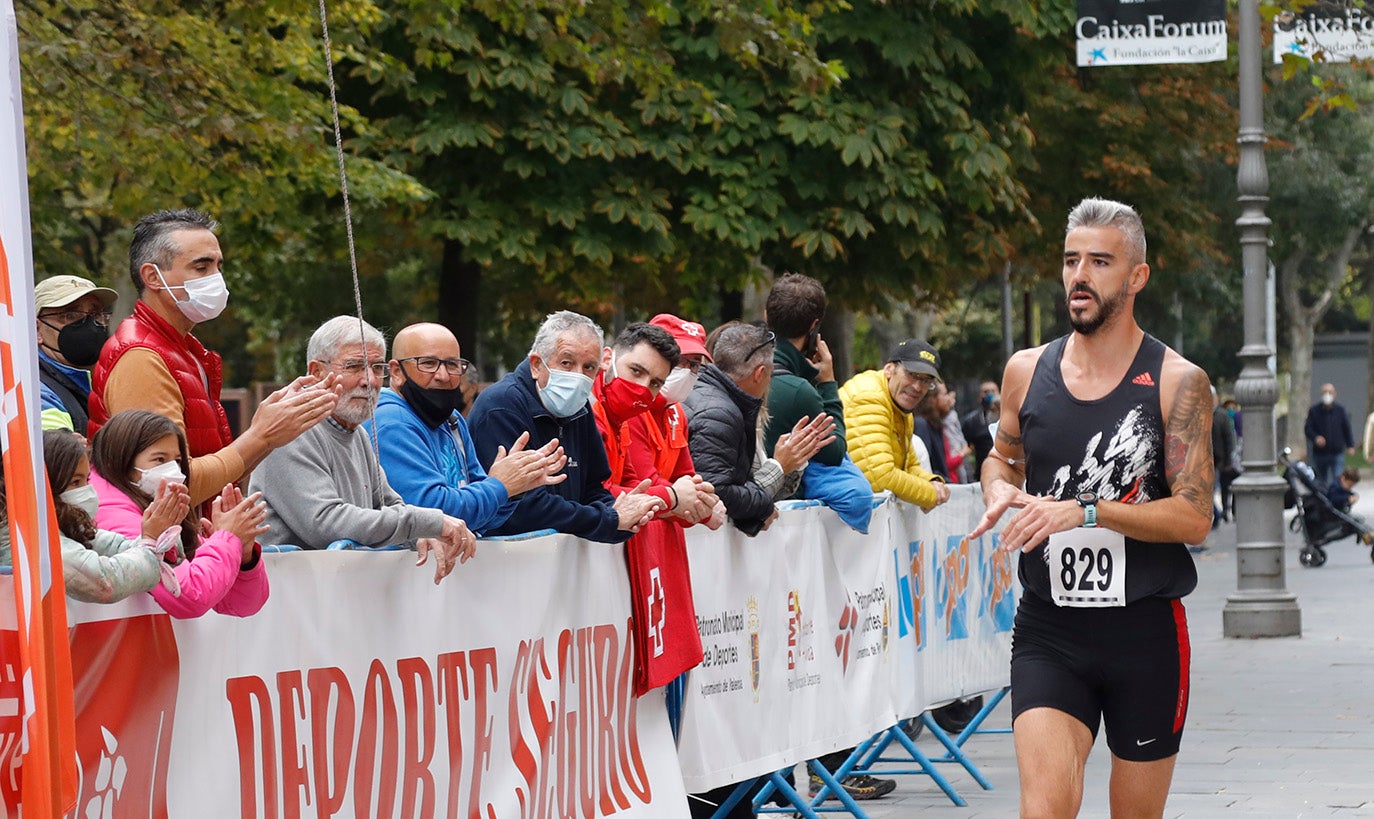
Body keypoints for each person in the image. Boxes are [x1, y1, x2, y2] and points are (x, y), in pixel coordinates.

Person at [969, 197, 1212, 818]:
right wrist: (997, 487)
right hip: (1051, 627)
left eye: (1100, 262)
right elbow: (1001, 458)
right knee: (1043, 809)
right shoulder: (1027, 371)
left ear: (1137, 277)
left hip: (1145, 630)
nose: (1080, 275)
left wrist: (1088, 511)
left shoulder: (1177, 382)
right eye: (1072, 260)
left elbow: (1194, 517)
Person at [88, 208, 339, 506]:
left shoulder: (185, 350)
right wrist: (259, 436)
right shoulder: (141, 357)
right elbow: (169, 488)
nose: (216, 279)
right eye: (201, 267)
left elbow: (218, 477)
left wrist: (270, 435)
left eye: (219, 266)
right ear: (153, 277)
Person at [248, 317, 474, 582]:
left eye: (377, 368)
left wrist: (420, 535)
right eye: (355, 366)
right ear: (316, 371)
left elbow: (390, 503)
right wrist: (430, 523)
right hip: (290, 602)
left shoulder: (356, 430)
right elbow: (326, 523)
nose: (370, 380)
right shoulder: (292, 428)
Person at [467, 310, 662, 541]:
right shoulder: (500, 407)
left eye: (589, 367)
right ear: (537, 365)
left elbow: (593, 488)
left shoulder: (580, 407)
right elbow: (524, 508)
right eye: (567, 362)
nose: (578, 376)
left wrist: (623, 513)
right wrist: (609, 519)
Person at [371, 322, 566, 535]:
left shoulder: (452, 419)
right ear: (396, 371)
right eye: (428, 363)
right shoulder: (392, 423)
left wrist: (514, 489)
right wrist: (500, 486)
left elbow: (481, 518)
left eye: (452, 365)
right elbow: (432, 515)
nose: (443, 375)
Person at [90, 410, 273, 618]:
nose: (173, 472)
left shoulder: (156, 511)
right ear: (122, 461)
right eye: (159, 460)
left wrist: (243, 555)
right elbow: (190, 597)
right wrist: (227, 538)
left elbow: (241, 605)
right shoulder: (112, 514)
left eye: (177, 461)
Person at [686, 322, 833, 536]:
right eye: (770, 374)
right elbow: (716, 494)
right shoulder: (719, 413)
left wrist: (789, 464)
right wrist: (778, 466)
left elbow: (736, 488)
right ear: (760, 373)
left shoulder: (722, 400)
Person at [43, 429, 172, 603]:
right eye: (75, 482)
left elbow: (114, 545)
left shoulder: (68, 526)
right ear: (48, 485)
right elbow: (105, 580)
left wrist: (161, 534)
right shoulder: (35, 541)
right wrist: (149, 544)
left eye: (87, 481)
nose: (87, 491)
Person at [838, 339, 951, 511]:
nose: (918, 387)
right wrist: (930, 494)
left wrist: (932, 482)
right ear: (889, 369)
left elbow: (909, 465)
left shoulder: (899, 404)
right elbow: (880, 476)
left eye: (926, 381)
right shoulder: (869, 397)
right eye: (912, 375)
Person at [762, 273, 847, 478]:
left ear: (766, 316)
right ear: (813, 325)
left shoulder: (740, 364)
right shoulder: (798, 391)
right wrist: (827, 382)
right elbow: (834, 453)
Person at [35, 275, 118, 432]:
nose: (88, 325)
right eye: (70, 315)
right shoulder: (37, 392)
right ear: (37, 329)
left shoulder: (106, 383)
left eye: (95, 314)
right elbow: (58, 452)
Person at [1305, 383, 1355, 491]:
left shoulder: (1340, 410)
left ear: (1334, 394)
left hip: (1337, 451)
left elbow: (1346, 428)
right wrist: (1316, 438)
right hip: (1320, 453)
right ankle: (1322, 501)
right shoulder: (1314, 411)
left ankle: (1337, 500)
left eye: (1330, 392)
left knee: (1338, 477)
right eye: (1325, 392)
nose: (1327, 395)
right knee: (1321, 480)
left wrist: (1350, 445)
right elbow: (1308, 429)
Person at [1212, 387, 1238, 527]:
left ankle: (1222, 513)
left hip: (1219, 459)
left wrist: (1229, 460)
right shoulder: (1199, 413)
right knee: (1213, 489)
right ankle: (1218, 513)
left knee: (1223, 487)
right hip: (1207, 459)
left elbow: (1229, 438)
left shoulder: (1222, 416)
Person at [962, 381, 1001, 475]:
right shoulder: (972, 422)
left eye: (993, 391)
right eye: (986, 392)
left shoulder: (1009, 417)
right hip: (983, 472)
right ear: (979, 397)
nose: (990, 394)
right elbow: (966, 448)